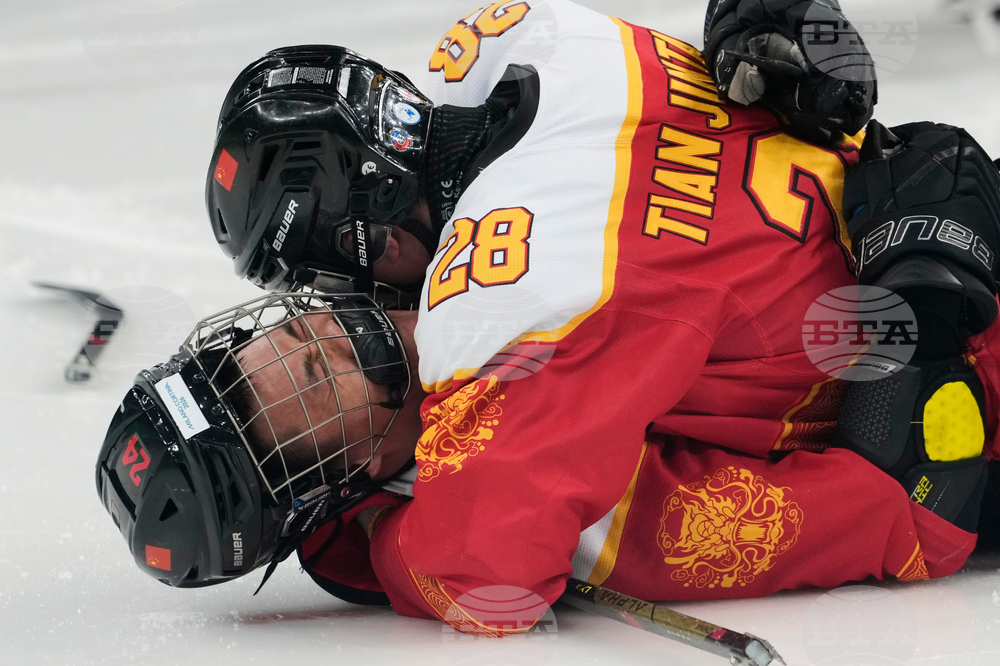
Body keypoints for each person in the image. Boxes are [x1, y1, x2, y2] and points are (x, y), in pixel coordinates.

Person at [98, 0, 1000, 633]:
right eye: (308, 373)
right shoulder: (512, 45)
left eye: (288, 327)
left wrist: (760, 25)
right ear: (348, 471)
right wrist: (925, 344)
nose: (321, 325)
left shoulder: (492, 320)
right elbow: (910, 516)